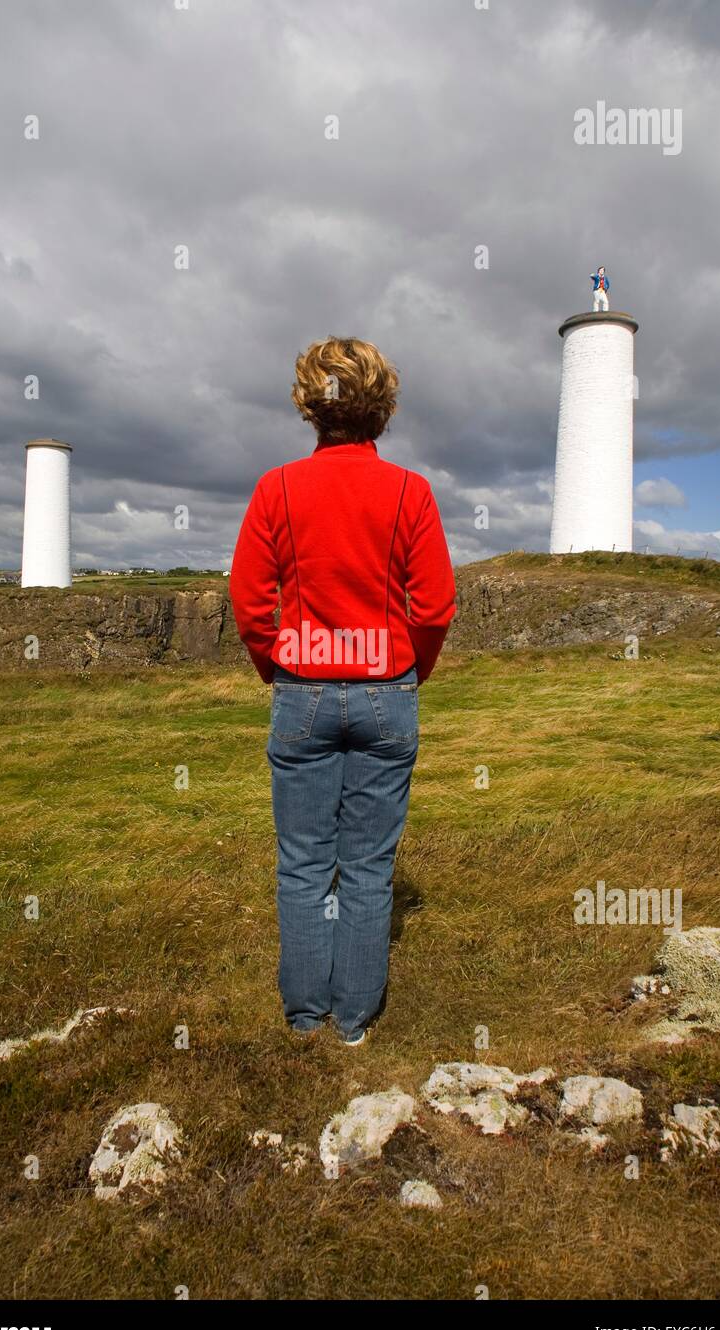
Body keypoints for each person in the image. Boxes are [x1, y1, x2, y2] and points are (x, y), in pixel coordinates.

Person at [229, 337, 456, 1045]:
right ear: (381, 407)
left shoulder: (278, 488)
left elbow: (248, 599)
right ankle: (355, 1021)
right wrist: (407, 668)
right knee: (367, 868)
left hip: (303, 690)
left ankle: (304, 1018)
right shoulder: (409, 491)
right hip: (387, 689)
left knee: (302, 863)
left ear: (310, 405)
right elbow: (436, 605)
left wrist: (279, 667)